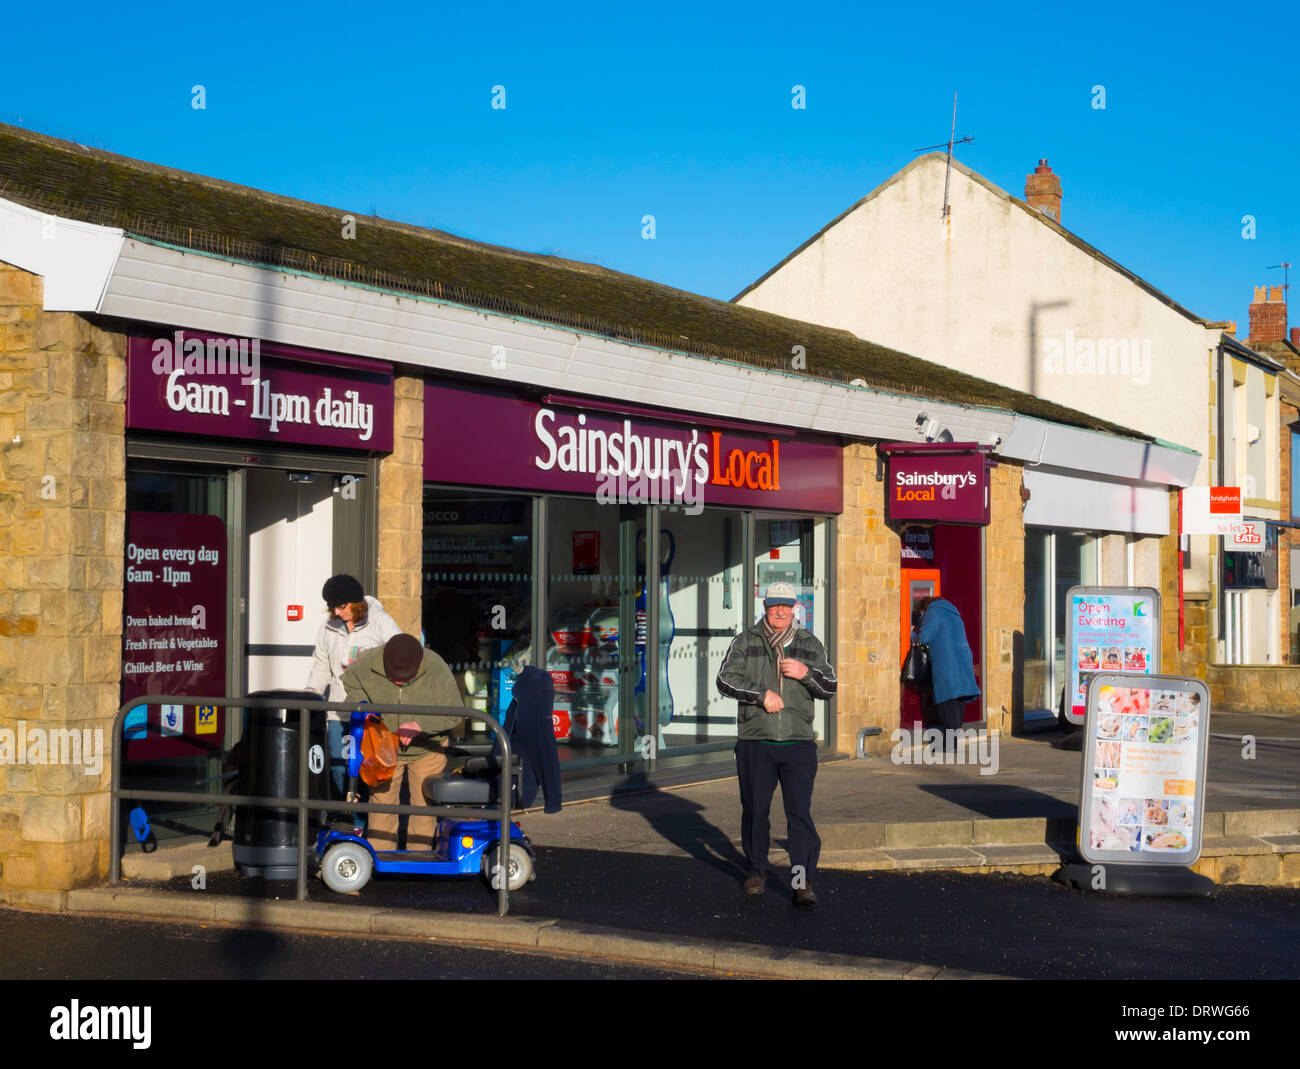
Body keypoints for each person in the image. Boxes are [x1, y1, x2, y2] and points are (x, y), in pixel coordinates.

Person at [716, 581, 836, 908]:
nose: (781, 611)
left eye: (786, 605)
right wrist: (760, 695)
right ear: (765, 607)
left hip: (797, 743)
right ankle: (756, 871)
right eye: (774, 605)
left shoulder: (810, 643)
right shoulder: (746, 641)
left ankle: (801, 882)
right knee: (756, 811)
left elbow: (830, 686)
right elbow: (725, 679)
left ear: (795, 606)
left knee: (799, 814)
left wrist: (805, 672)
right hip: (756, 742)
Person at [341, 634, 465, 850]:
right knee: (381, 805)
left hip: (428, 747)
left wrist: (420, 724)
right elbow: (350, 685)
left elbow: (455, 714)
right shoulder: (366, 662)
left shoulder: (437, 667)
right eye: (395, 676)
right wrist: (365, 710)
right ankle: (381, 857)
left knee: (424, 806)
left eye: (407, 678)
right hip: (383, 745)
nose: (400, 681)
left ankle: (420, 858)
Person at [304, 575, 402, 806]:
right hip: (339, 712)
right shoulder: (329, 627)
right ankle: (351, 820)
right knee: (339, 769)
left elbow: (401, 659)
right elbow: (321, 666)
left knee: (371, 771)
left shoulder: (381, 622)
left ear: (356, 602)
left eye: (341, 606)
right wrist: (310, 693)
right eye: (332, 607)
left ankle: (367, 823)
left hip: (373, 715)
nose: (337, 613)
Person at [915, 596, 980, 748]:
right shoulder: (953, 612)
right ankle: (953, 742)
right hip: (963, 660)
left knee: (947, 700)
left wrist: (914, 632)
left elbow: (924, 638)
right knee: (958, 699)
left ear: (925, 609)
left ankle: (949, 745)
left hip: (947, 662)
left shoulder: (933, 612)